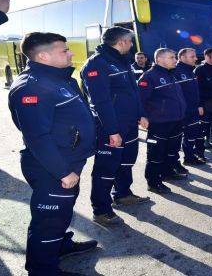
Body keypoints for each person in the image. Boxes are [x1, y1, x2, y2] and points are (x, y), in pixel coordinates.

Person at [9, 32, 98, 275]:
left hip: (68, 161)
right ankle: (42, 269)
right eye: (64, 50)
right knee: (48, 220)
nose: (71, 53)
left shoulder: (60, 79)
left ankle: (60, 246)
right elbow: (37, 138)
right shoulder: (32, 87)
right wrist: (62, 171)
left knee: (61, 213)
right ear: (44, 55)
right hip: (52, 167)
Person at [81, 27, 150, 227]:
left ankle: (123, 194)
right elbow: (100, 102)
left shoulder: (123, 61)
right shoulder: (96, 64)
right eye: (129, 40)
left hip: (129, 123)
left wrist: (140, 115)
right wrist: (112, 131)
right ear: (120, 42)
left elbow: (133, 92)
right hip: (111, 127)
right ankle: (101, 210)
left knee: (126, 161)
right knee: (106, 168)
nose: (131, 44)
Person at [138, 48, 187, 194]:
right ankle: (153, 182)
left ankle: (168, 172)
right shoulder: (149, 76)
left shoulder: (171, 74)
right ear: (159, 59)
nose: (175, 60)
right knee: (156, 154)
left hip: (176, 120)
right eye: (172, 57)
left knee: (172, 151)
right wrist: (142, 116)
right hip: (159, 124)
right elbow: (140, 100)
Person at [173, 48, 207, 166]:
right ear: (182, 58)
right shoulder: (176, 72)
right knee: (188, 136)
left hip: (194, 109)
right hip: (184, 111)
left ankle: (192, 156)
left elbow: (195, 92)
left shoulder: (190, 71)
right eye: (192, 56)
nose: (196, 58)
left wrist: (199, 105)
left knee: (194, 134)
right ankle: (188, 158)